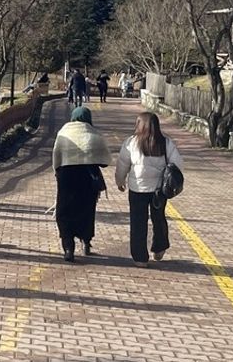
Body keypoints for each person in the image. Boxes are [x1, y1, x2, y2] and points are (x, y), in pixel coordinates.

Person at [114, 112, 184, 267]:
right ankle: (159, 247)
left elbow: (122, 164)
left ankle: (140, 257)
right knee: (158, 218)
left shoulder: (131, 143)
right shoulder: (166, 143)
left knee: (138, 222)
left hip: (137, 189)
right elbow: (177, 165)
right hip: (159, 190)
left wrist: (120, 181)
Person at [51, 106, 111, 262]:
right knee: (86, 210)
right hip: (87, 178)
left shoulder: (64, 131)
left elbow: (56, 155)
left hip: (67, 177)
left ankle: (68, 247)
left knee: (64, 211)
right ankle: (86, 241)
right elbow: (104, 161)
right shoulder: (93, 133)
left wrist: (57, 170)